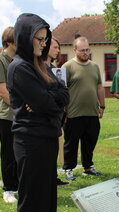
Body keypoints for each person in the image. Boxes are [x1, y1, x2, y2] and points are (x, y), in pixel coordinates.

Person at [7, 13, 69, 212]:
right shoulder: (19, 67)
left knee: (47, 197)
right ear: (25, 37)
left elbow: (63, 95)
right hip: (29, 141)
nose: (44, 44)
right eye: (39, 39)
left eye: (46, 39)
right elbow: (46, 102)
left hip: (46, 138)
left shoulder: (40, 65)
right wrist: (50, 100)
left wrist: (50, 99)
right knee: (32, 199)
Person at [62, 36, 105, 181]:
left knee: (90, 141)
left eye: (87, 50)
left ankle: (88, 167)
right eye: (82, 50)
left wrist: (102, 105)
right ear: (75, 50)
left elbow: (99, 86)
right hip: (73, 114)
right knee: (71, 144)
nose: (85, 53)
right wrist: (64, 110)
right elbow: (61, 90)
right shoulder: (67, 67)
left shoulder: (94, 67)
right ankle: (68, 168)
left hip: (92, 112)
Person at [0, 26, 19, 203]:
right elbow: (3, 92)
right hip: (7, 115)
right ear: (9, 42)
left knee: (21, 153)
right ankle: (8, 189)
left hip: (22, 115)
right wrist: (23, 107)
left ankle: (19, 185)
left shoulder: (20, 60)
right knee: (9, 153)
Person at [45, 36, 69, 186]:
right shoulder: (40, 68)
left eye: (58, 47)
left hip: (57, 117)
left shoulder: (52, 70)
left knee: (53, 149)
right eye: (55, 47)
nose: (58, 50)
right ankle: (48, 179)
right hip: (47, 118)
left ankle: (52, 177)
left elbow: (64, 93)